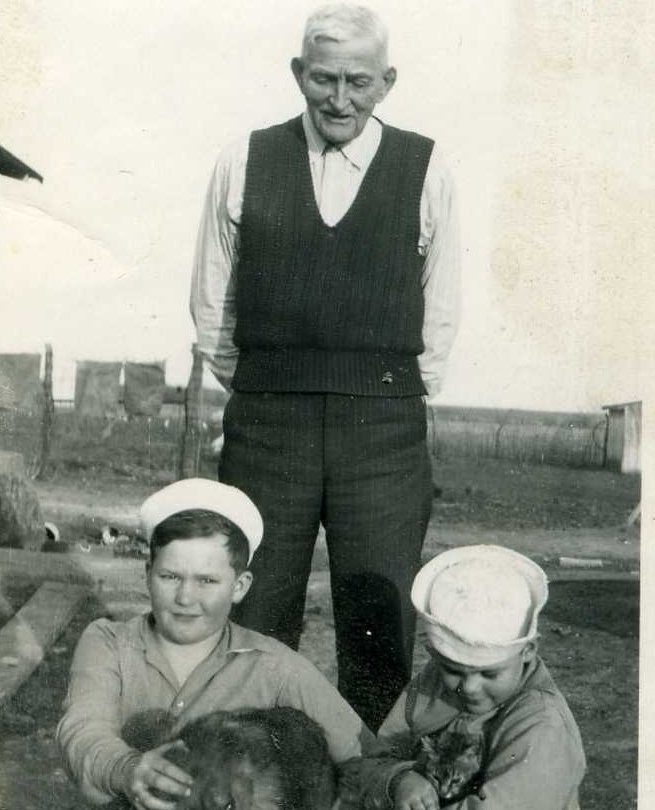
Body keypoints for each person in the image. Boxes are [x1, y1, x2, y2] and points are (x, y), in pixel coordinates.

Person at [0, 478, 373, 810]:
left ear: (241, 586)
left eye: (207, 581)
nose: (186, 598)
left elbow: (365, 756)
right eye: (170, 576)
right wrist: (127, 769)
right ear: (147, 574)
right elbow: (82, 729)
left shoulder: (277, 666)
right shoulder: (108, 643)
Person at [191, 3, 461, 732]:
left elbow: (440, 309)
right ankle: (254, 782)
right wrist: (268, 382)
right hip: (268, 424)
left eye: (358, 82)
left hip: (382, 429)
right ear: (297, 74)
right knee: (257, 608)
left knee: (379, 616)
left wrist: (385, 394)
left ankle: (370, 794)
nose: (339, 99)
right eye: (323, 79)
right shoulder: (242, 159)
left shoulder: (425, 166)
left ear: (387, 82)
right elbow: (213, 303)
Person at [351, 545, 587, 810]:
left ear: (528, 653)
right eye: (454, 670)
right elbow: (376, 757)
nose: (470, 688)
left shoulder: (540, 722)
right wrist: (398, 779)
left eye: (489, 674)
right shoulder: (431, 685)